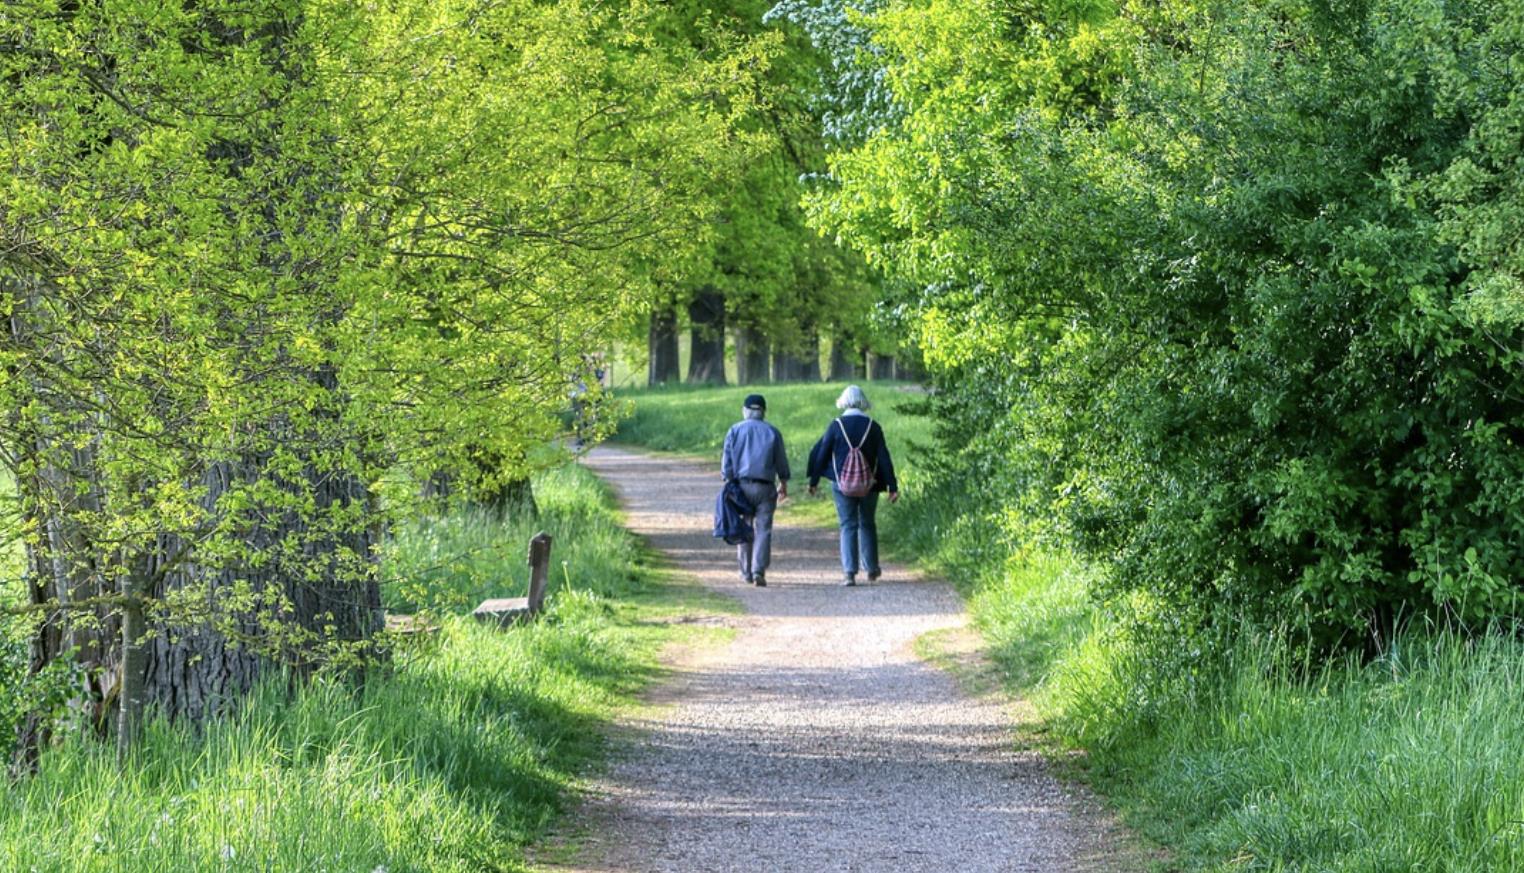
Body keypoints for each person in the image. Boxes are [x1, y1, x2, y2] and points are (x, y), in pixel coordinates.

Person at [807, 385, 899, 586]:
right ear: (863, 401)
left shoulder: (836, 425)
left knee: (848, 525)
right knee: (867, 523)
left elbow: (822, 453)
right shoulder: (873, 427)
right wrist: (892, 486)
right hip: (870, 484)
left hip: (842, 484)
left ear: (844, 401)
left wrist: (813, 481)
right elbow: (884, 457)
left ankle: (849, 573)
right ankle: (872, 569)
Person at [720, 393, 790, 586]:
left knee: (744, 527)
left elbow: (727, 462)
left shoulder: (734, 430)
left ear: (745, 410)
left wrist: (727, 480)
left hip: (741, 487)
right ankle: (758, 570)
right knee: (764, 529)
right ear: (763, 411)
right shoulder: (773, 432)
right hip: (766, 488)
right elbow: (781, 461)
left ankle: (745, 572)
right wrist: (783, 482)